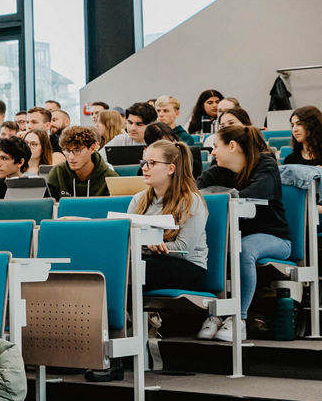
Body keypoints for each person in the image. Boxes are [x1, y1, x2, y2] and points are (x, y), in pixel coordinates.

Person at [197, 124, 291, 341]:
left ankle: (238, 318)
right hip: (236, 236)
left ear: (231, 146)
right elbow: (195, 190)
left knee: (244, 249)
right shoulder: (220, 169)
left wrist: (223, 196)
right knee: (212, 246)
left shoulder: (265, 164)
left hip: (275, 238)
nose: (212, 152)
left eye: (216, 147)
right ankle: (217, 313)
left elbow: (257, 192)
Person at [130, 141, 208, 293]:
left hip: (190, 269)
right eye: (143, 162)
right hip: (152, 261)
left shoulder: (191, 201)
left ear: (171, 168)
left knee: (139, 268)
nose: (144, 168)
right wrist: (148, 246)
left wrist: (148, 246)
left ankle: (125, 315)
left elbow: (183, 250)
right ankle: (125, 315)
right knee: (121, 265)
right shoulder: (138, 199)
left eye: (152, 163)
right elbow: (128, 241)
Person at [46, 126, 117, 199]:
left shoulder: (110, 178)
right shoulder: (57, 172)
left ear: (92, 148)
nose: (71, 157)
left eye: (77, 151)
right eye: (67, 151)